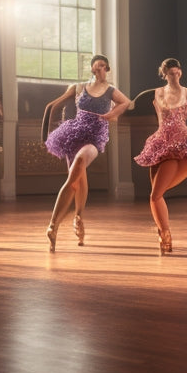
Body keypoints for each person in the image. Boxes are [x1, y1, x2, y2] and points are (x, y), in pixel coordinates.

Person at [43, 55, 130, 251]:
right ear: (92, 69)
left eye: (102, 65)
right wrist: (48, 127)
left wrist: (111, 115)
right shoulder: (79, 87)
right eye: (96, 66)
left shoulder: (111, 90)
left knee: (80, 164)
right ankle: (75, 219)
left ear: (106, 68)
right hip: (72, 136)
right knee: (76, 179)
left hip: (94, 139)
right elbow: (55, 105)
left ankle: (54, 223)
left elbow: (126, 103)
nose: (99, 68)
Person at [134, 58, 187, 254]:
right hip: (160, 144)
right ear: (165, 74)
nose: (175, 75)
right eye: (171, 73)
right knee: (154, 195)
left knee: (156, 195)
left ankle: (165, 234)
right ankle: (163, 232)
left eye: (177, 71)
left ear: (181, 72)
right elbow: (137, 106)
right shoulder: (157, 93)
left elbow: (186, 123)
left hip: (179, 148)